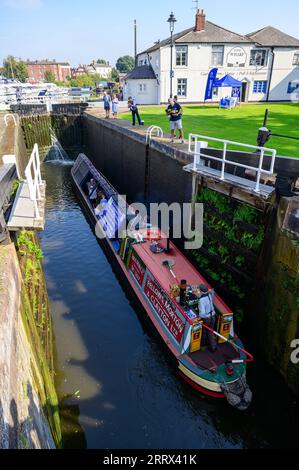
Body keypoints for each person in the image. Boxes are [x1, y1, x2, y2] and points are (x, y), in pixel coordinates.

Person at [197, 284, 217, 352]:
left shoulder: (201, 300)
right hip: (213, 316)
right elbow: (212, 292)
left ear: (201, 291)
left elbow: (202, 313)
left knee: (205, 331)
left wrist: (198, 318)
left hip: (207, 318)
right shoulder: (209, 295)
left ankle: (204, 345)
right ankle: (212, 345)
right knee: (210, 330)